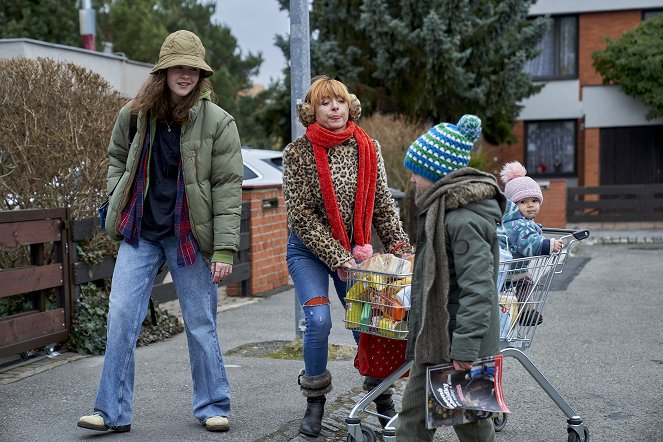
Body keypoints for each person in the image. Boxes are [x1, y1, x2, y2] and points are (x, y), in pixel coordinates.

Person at [77, 30, 243, 433]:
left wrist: (224, 250)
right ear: (164, 71)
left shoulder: (219, 123)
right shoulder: (136, 114)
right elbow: (117, 156)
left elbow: (227, 188)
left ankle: (213, 404)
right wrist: (117, 195)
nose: (184, 75)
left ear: (201, 75)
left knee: (200, 321)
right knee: (120, 316)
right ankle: (111, 411)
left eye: (192, 69)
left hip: (189, 237)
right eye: (177, 68)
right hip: (142, 232)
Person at [282, 75, 412, 437]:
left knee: (369, 322)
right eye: (325, 103)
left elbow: (383, 205)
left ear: (349, 105)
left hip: (356, 250)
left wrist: (401, 247)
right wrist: (339, 257)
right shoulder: (297, 153)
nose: (334, 107)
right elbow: (301, 218)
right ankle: (315, 402)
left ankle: (382, 398)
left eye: (339, 101)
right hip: (308, 250)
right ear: (312, 111)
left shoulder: (367, 146)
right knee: (319, 320)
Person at [396, 115, 505, 442]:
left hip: (459, 340)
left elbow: (478, 290)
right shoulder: (441, 210)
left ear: (438, 175)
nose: (412, 180)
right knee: (412, 420)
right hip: (433, 337)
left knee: (470, 424)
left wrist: (466, 348)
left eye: (417, 172)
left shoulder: (462, 221)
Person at [497, 161, 563, 325]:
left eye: (534, 200)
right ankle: (526, 314)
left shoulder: (512, 221)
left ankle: (508, 316)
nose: (530, 205)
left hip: (502, 268)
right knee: (526, 282)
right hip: (510, 269)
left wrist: (535, 228)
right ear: (513, 205)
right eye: (523, 202)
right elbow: (528, 242)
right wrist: (548, 245)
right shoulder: (519, 225)